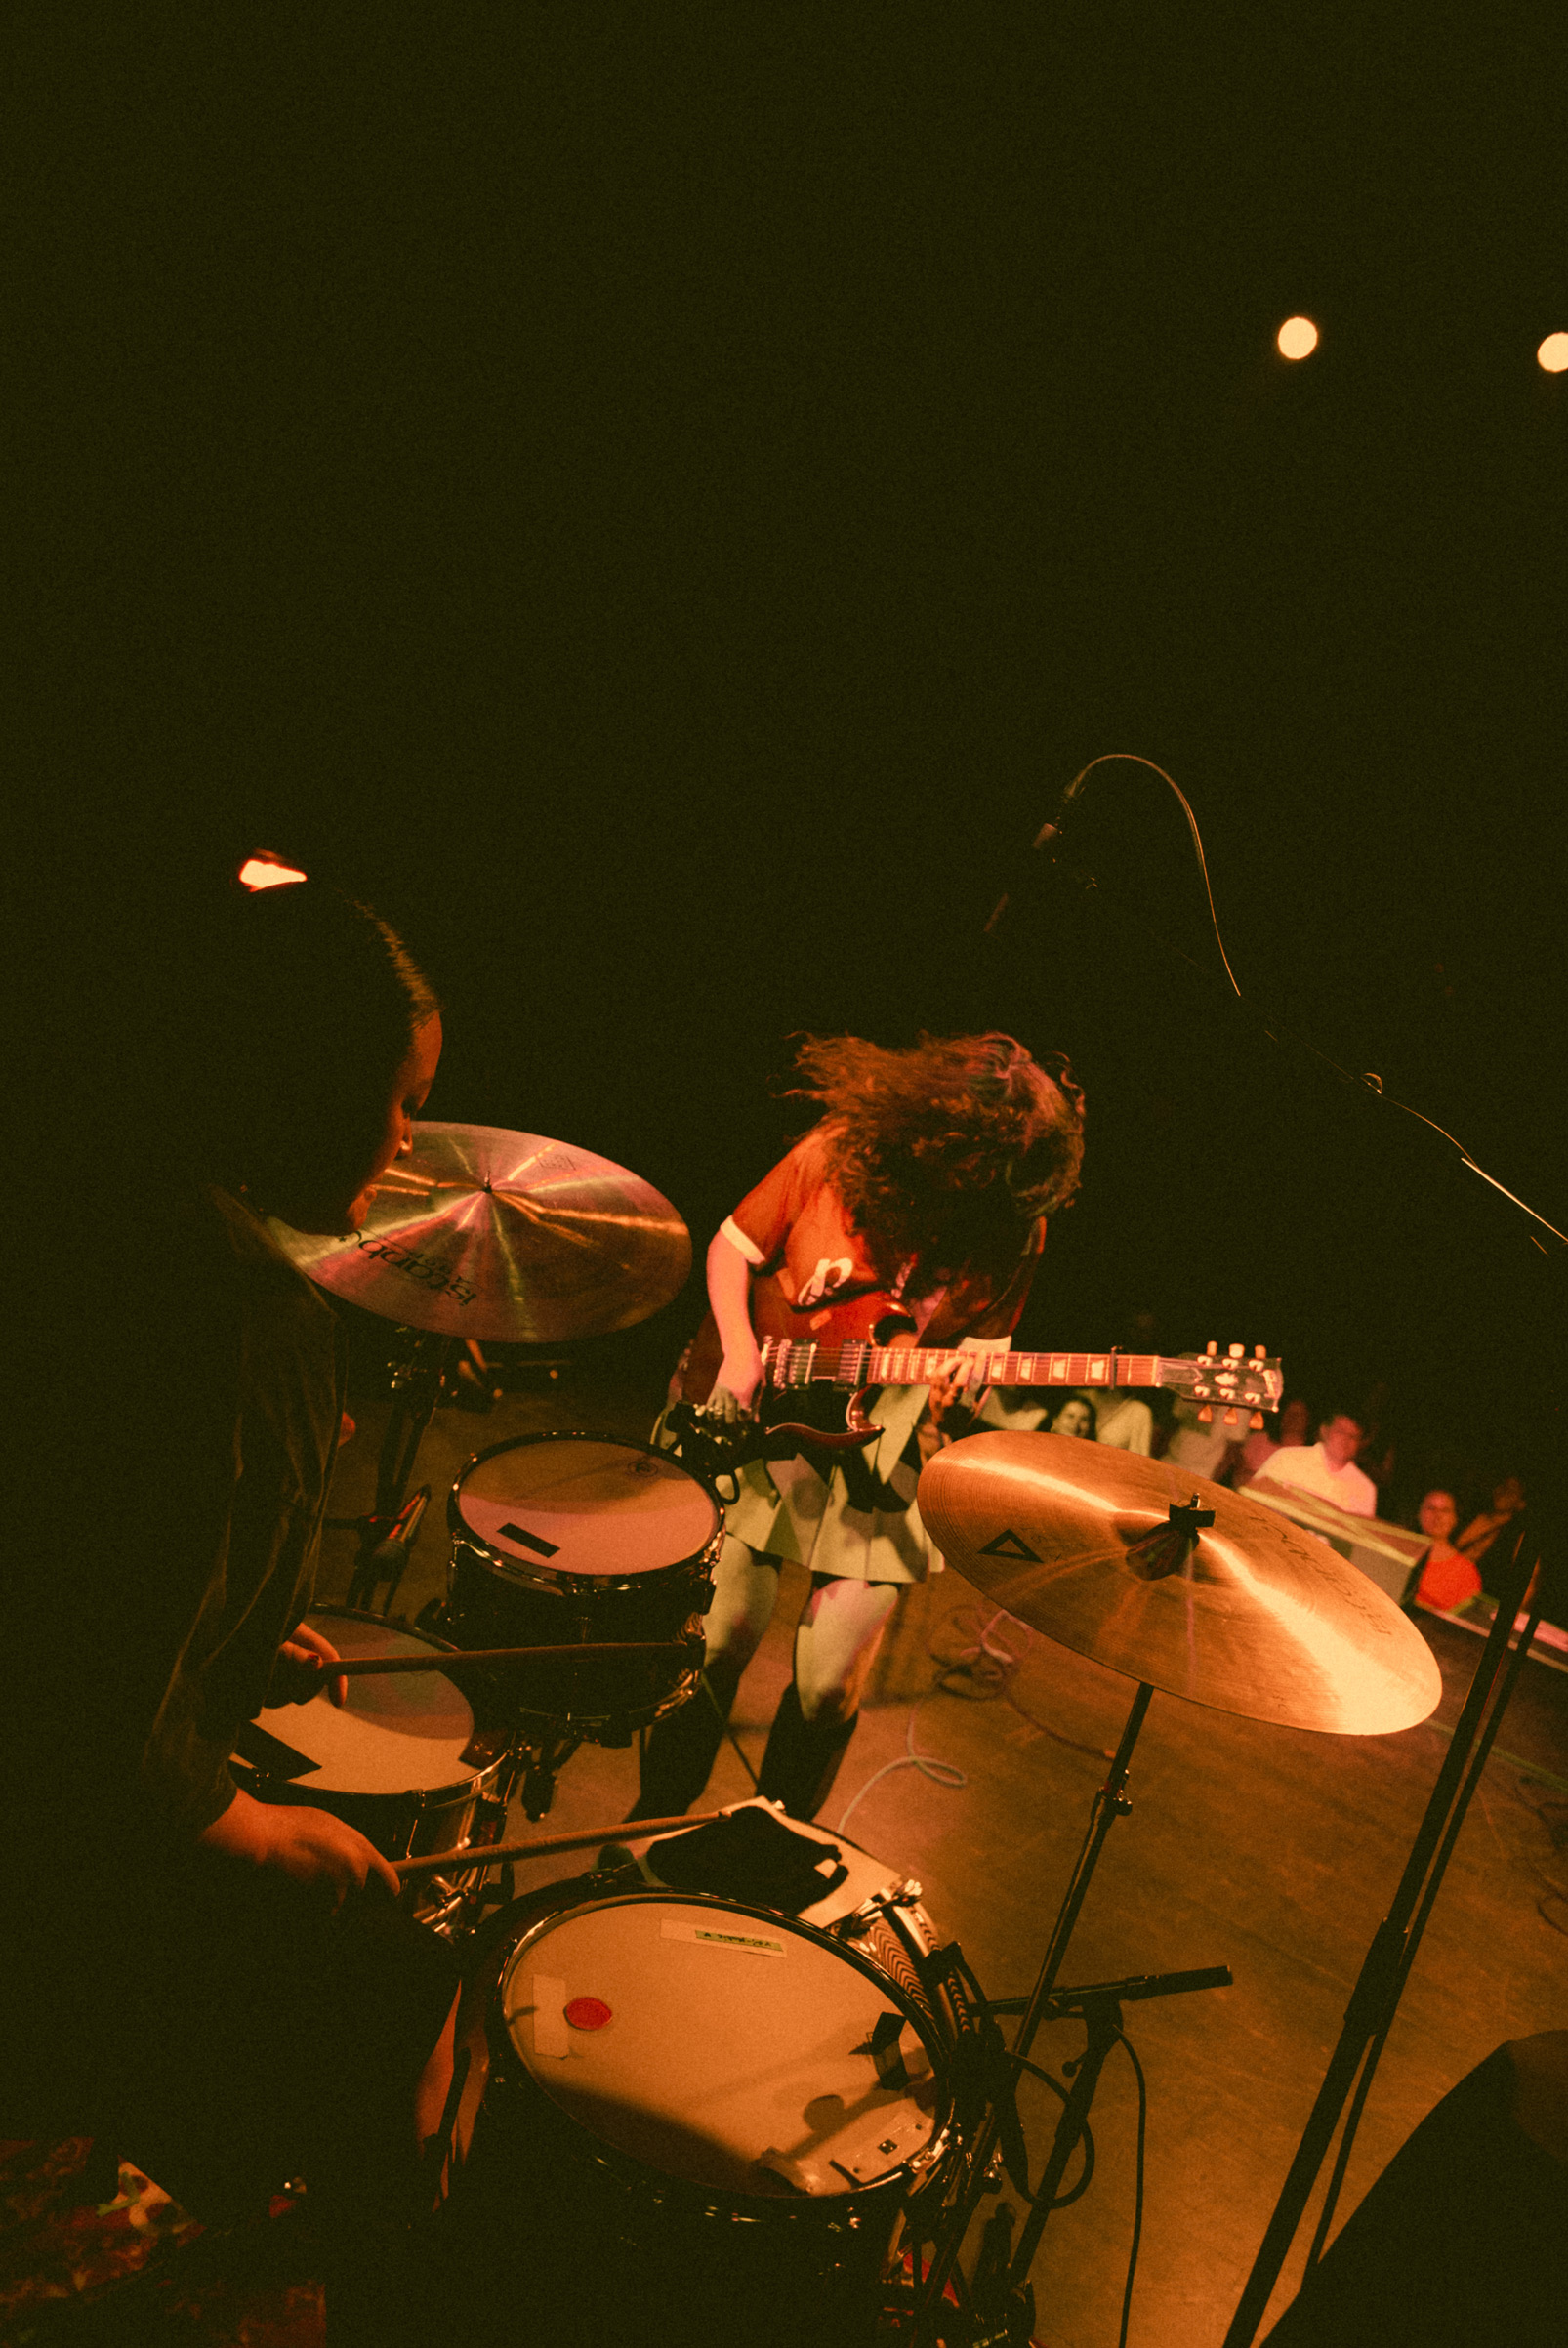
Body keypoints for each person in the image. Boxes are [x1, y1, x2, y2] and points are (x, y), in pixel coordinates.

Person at [3, 864, 457, 2345]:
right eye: (399, 1103)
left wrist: (233, 1636)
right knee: (404, 1978)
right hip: (50, 1878)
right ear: (304, 1088)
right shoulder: (246, 1319)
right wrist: (250, 1826)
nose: (409, 1143)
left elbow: (85, 1567)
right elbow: (78, 1721)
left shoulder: (77, 1198)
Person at [636, 1031, 1086, 1824]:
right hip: (771, 1412)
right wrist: (737, 1353)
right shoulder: (838, 1155)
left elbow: (987, 1347)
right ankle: (655, 1821)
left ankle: (775, 1845)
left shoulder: (1018, 1222)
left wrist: (963, 1386)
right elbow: (732, 1250)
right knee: (718, 1642)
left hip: (888, 1439)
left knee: (827, 1683)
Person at [1250, 1407, 1379, 1517]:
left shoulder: (1365, 1488)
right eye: (1340, 1432)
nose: (1346, 1440)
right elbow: (1252, 1499)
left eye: (1353, 1437)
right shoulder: (1287, 1458)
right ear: (1324, 1431)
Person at [1410, 1489, 1483, 1614]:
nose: (1437, 1516)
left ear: (1455, 1519)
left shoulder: (1466, 1572)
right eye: (1431, 1508)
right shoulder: (1398, 1551)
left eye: (1445, 1511)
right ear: (1419, 1513)